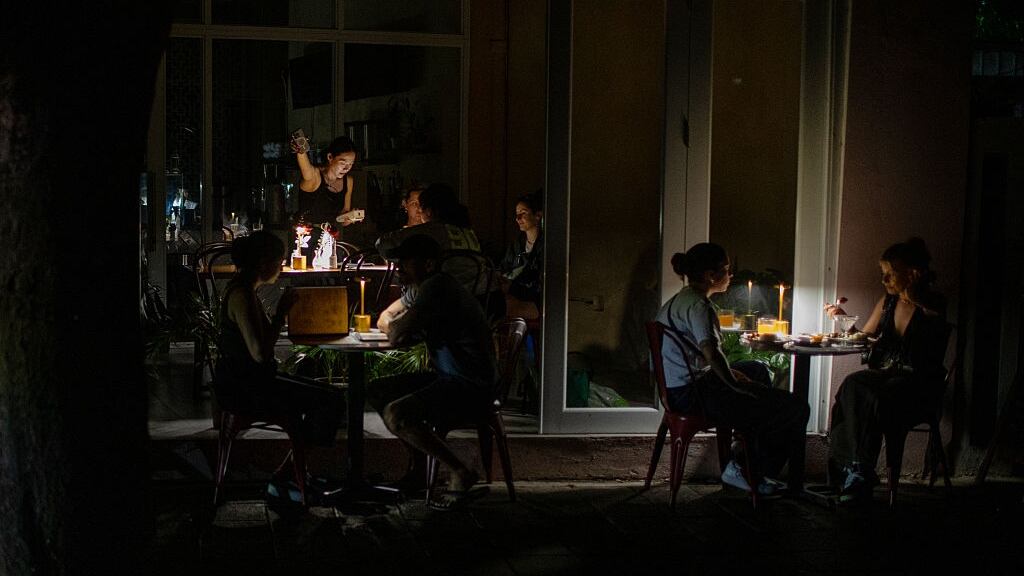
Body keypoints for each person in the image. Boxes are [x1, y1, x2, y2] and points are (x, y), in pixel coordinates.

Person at [655, 242, 809, 497]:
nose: (730, 275)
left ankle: (747, 451)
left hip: (681, 387)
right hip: (693, 394)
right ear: (710, 276)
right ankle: (748, 470)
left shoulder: (679, 300)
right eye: (726, 270)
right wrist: (733, 383)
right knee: (795, 407)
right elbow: (711, 352)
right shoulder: (699, 307)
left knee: (756, 369)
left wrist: (732, 374)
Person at [213, 231, 345, 505]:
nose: (282, 266)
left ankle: (292, 472)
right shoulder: (241, 295)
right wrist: (281, 314)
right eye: (280, 260)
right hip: (248, 388)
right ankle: (286, 474)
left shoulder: (244, 289)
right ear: (264, 262)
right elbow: (260, 353)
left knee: (325, 393)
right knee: (330, 400)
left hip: (249, 381)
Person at [368, 234, 499, 509]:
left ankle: (460, 470)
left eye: (406, 262)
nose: (399, 268)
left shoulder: (438, 286)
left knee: (397, 412)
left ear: (428, 264)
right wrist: (398, 323)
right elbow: (385, 317)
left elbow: (395, 334)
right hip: (448, 377)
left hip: (470, 385)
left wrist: (399, 325)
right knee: (377, 391)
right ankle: (418, 470)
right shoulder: (421, 288)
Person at [825, 237, 947, 504]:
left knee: (872, 394)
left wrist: (916, 299)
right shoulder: (888, 302)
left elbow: (936, 316)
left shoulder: (934, 304)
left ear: (913, 273)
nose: (885, 281)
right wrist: (843, 318)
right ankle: (852, 468)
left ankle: (858, 470)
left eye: (890, 274)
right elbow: (865, 337)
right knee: (852, 385)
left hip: (919, 382)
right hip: (887, 375)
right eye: (884, 274)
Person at [376, 183, 505, 321]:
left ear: (429, 211)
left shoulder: (433, 230)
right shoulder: (467, 231)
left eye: (421, 208)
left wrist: (404, 256)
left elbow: (383, 244)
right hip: (484, 301)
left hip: (446, 303)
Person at [291, 133, 359, 261]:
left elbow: (343, 217)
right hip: (305, 236)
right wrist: (301, 150)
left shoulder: (348, 181)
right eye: (342, 162)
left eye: (351, 164)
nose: (347, 168)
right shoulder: (315, 177)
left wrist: (350, 217)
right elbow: (305, 166)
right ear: (330, 157)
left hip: (329, 237)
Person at [499, 191, 544, 320]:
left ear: (538, 215)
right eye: (517, 214)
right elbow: (505, 268)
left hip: (533, 300)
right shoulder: (517, 245)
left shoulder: (546, 246)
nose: (518, 218)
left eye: (523, 213)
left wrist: (513, 286)